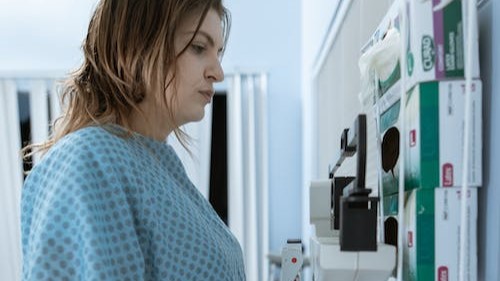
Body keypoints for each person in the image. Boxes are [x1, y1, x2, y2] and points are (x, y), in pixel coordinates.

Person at [20, 0, 246, 280]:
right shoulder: (87, 161)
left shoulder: (157, 164)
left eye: (219, 53)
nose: (218, 72)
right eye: (199, 48)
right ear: (136, 47)